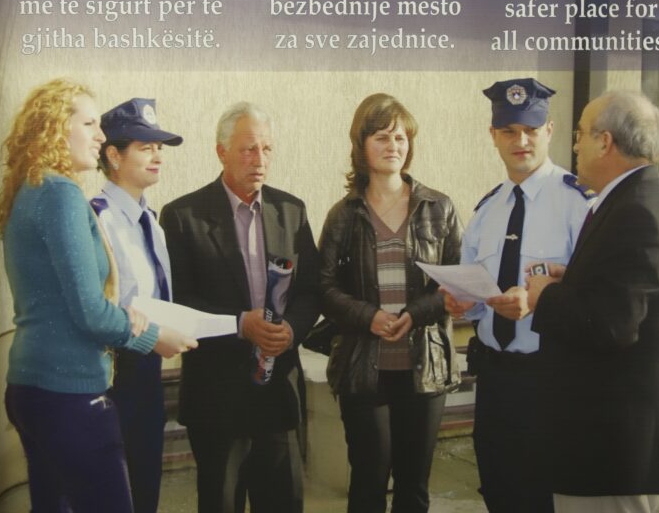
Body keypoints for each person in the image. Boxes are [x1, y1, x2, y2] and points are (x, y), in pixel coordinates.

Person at [0, 79, 196, 513]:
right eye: (89, 124)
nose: (101, 135)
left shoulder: (28, 189)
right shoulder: (61, 193)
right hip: (70, 393)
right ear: (55, 127)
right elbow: (89, 311)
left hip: (31, 387)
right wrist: (150, 335)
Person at [160, 101, 320, 513]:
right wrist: (238, 324)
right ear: (221, 152)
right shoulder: (183, 217)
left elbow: (310, 290)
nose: (260, 160)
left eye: (267, 149)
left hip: (278, 394)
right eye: (249, 149)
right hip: (217, 396)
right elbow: (179, 300)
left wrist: (291, 330)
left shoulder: (291, 211)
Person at [442, 78, 593, 513]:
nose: (520, 141)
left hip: (553, 381)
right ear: (493, 136)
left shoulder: (580, 204)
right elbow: (473, 290)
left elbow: (597, 294)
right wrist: (462, 302)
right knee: (500, 490)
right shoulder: (488, 209)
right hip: (494, 380)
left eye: (530, 129)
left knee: (546, 498)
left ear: (549, 131)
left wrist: (538, 302)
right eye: (508, 131)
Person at [527, 90, 659, 513]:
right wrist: (572, 279)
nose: (574, 146)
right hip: (607, 440)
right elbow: (624, 294)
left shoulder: (637, 210)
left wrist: (546, 295)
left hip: (609, 446)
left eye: (580, 134)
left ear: (605, 141)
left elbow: (615, 323)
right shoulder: (642, 197)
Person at [319, 92, 462, 513]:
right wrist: (370, 317)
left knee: (414, 487)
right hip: (363, 369)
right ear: (361, 145)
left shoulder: (439, 207)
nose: (393, 146)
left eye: (400, 137)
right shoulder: (344, 215)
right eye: (381, 137)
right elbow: (324, 287)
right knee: (368, 482)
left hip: (425, 367)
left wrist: (415, 314)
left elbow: (456, 281)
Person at [91, 97, 183, 513]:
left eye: (159, 148)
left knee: (145, 490)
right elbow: (97, 309)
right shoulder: (98, 220)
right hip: (112, 376)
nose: (158, 157)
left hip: (149, 375)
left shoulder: (153, 223)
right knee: (112, 494)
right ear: (113, 155)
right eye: (146, 148)